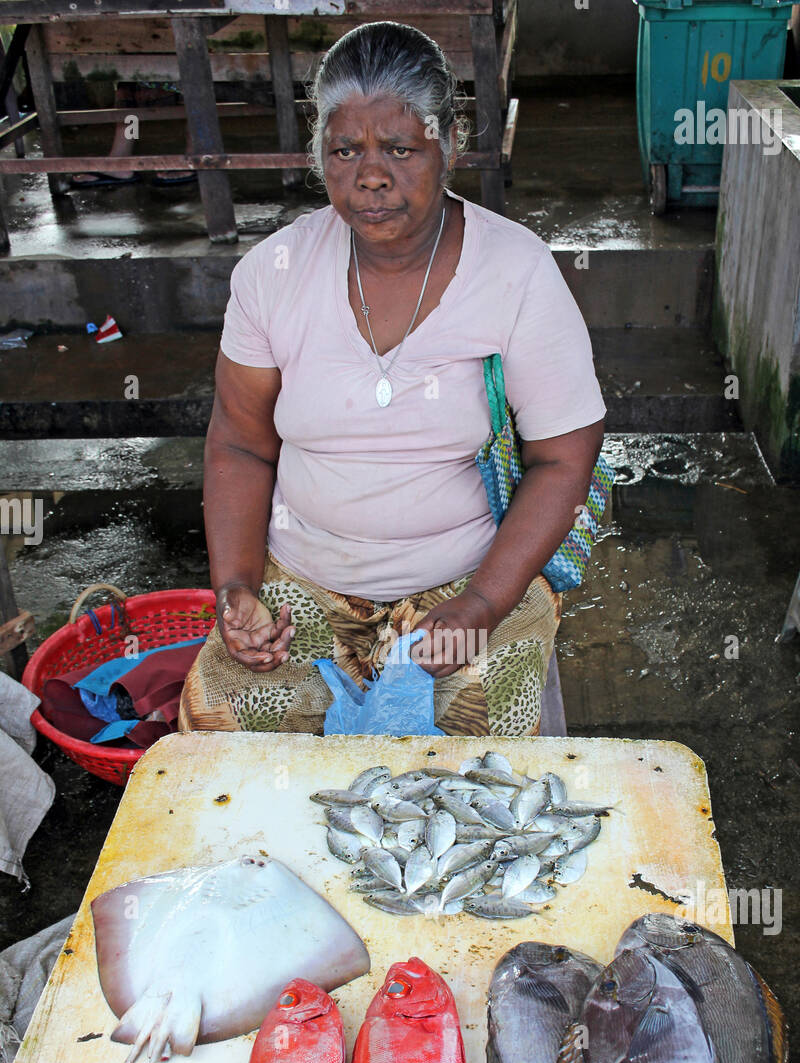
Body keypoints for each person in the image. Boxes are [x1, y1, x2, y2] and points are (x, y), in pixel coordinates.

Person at [178, 20, 606, 739]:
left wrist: (482, 606)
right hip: (303, 586)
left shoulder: (516, 272)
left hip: (468, 583)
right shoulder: (272, 275)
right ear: (321, 154)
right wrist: (239, 589)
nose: (371, 176)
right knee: (225, 718)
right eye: (346, 150)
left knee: (483, 739)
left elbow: (564, 458)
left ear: (450, 146)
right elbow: (240, 446)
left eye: (400, 149)